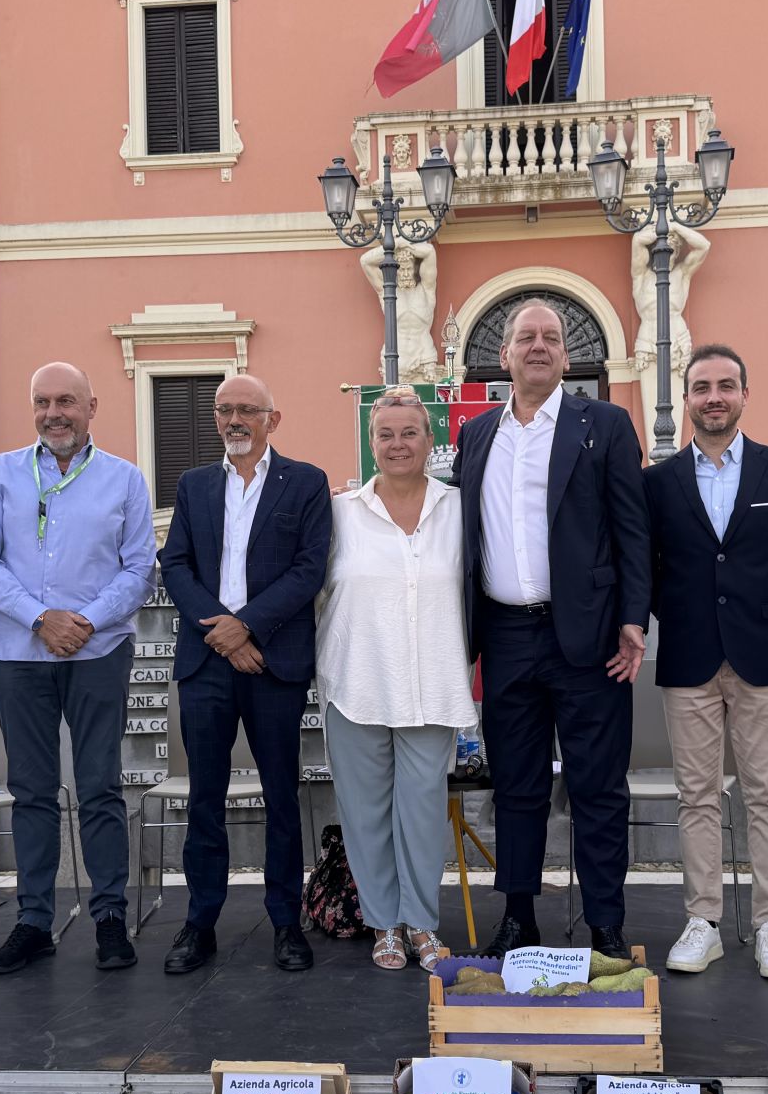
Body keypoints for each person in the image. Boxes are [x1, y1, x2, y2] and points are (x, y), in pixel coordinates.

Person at [453, 299, 652, 959]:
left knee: (598, 787)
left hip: (590, 639)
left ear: (566, 356)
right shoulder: (477, 434)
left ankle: (605, 924)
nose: (537, 345)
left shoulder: (606, 424)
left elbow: (632, 529)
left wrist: (632, 618)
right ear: (504, 355)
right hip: (505, 638)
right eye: (525, 337)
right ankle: (518, 916)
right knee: (517, 787)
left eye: (550, 337)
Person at [0, 362, 156, 976]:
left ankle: (109, 917)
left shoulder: (124, 479)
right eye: (43, 401)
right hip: (19, 654)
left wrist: (86, 622)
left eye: (67, 401)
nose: (54, 413)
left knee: (100, 786)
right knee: (31, 791)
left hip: (98, 653)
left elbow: (139, 568)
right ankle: (33, 922)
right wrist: (41, 618)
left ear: (91, 407)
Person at [644, 344, 768, 978]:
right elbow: (648, 566)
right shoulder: (657, 482)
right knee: (696, 796)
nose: (713, 397)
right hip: (688, 654)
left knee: (767, 793)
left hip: (761, 655)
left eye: (725, 386)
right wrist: (684, 616)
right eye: (701, 387)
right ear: (687, 399)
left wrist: (760, 613)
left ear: (745, 394)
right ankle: (703, 921)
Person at [158, 374, 332, 975]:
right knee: (204, 798)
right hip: (207, 660)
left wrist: (248, 626)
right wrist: (223, 633)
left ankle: (286, 922)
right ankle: (199, 921)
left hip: (273, 660)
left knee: (282, 795)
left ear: (271, 420)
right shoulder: (194, 484)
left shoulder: (306, 483)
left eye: (247, 410)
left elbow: (309, 569)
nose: (234, 420)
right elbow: (175, 563)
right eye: (224, 409)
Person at [319, 388, 477, 971]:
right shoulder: (341, 514)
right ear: (371, 443)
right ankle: (384, 924)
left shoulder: (459, 510)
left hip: (432, 682)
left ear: (430, 440)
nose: (397, 444)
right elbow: (312, 589)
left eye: (410, 432)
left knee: (423, 812)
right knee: (364, 814)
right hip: (355, 680)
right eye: (385, 434)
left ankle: (421, 921)